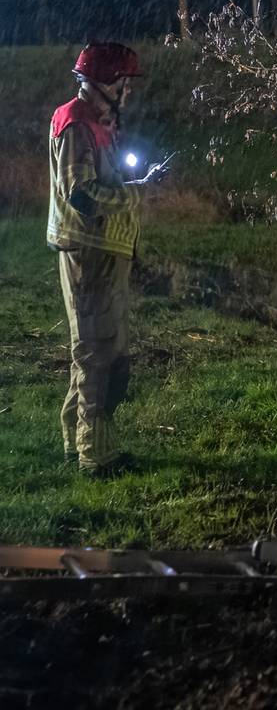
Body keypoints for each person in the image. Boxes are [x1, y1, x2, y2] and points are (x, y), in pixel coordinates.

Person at [47, 42, 170, 475]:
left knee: (98, 350)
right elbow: (80, 193)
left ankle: (75, 442)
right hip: (89, 250)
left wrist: (138, 183)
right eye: (123, 82)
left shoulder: (99, 121)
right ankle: (95, 457)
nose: (128, 91)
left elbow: (103, 182)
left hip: (106, 248)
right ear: (103, 82)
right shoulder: (76, 123)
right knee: (98, 355)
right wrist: (139, 191)